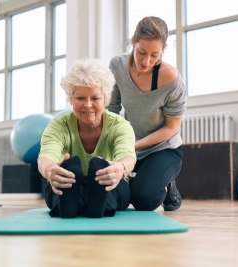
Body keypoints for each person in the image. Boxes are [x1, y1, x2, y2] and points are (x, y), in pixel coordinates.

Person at [38, 58, 136, 218]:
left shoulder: (120, 125)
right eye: (80, 98)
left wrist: (120, 168)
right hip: (69, 181)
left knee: (108, 191)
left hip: (109, 179)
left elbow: (128, 157)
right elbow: (45, 158)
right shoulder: (57, 126)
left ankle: (95, 203)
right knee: (61, 188)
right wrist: (51, 171)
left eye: (95, 98)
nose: (88, 105)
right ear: (71, 99)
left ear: (105, 99)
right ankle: (73, 204)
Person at [107, 16, 187, 211]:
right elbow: (112, 109)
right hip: (129, 147)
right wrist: (110, 143)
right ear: (133, 41)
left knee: (143, 200)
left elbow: (171, 127)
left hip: (163, 149)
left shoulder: (172, 80)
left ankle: (167, 185)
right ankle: (143, 178)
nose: (146, 61)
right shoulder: (117, 66)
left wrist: (132, 145)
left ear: (163, 50)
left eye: (155, 55)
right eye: (141, 52)